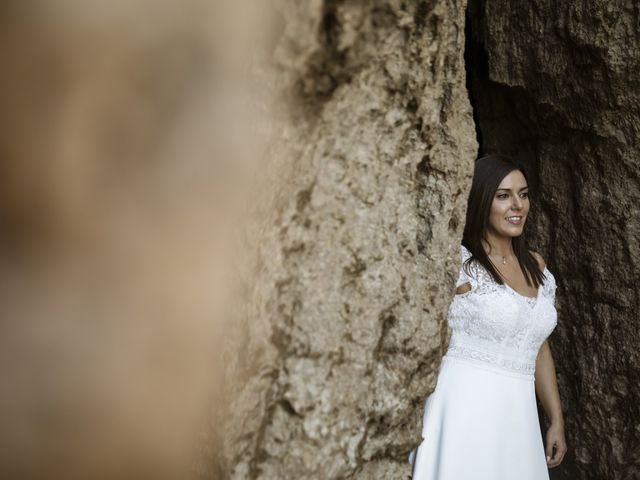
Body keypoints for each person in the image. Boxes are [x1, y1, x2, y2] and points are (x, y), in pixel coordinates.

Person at [409, 154, 567, 479]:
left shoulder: (536, 266)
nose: (517, 206)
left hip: (518, 416)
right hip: (463, 406)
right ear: (481, 199)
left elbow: (539, 348)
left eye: (523, 194)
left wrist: (556, 420)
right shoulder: (458, 262)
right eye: (503, 195)